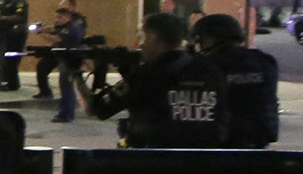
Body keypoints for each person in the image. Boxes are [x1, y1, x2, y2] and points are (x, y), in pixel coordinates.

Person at [72, 10, 227, 147]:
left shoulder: (147, 73)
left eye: (143, 37)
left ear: (152, 37)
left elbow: (95, 108)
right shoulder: (208, 69)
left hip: (154, 159)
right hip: (203, 160)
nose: (141, 45)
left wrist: (77, 74)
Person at [189, 12, 279, 148]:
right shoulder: (264, 61)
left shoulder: (208, 65)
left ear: (210, 39)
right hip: (260, 137)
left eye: (201, 40)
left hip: (223, 142)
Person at [33, 0, 86, 100]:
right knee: (42, 67)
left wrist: (41, 33)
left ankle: (72, 97)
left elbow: (58, 38)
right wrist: (45, 29)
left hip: (69, 54)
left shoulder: (75, 23)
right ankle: (45, 92)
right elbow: (56, 30)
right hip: (58, 51)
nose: (57, 19)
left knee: (67, 76)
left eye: (59, 17)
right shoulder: (63, 23)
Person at [0, 0, 30, 91]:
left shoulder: (20, 1)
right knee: (2, 58)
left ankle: (13, 83)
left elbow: (20, 17)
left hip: (17, 34)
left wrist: (2, 18)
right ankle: (3, 80)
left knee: (12, 59)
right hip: (2, 33)